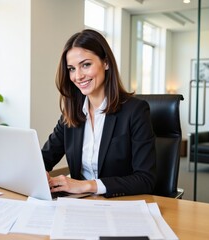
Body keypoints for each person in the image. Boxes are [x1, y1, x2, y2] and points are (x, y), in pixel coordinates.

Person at [41, 29, 156, 198]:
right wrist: (38, 172)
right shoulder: (71, 114)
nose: (78, 76)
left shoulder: (135, 111)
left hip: (120, 204)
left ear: (106, 63)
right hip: (79, 205)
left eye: (86, 65)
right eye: (71, 69)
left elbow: (145, 179)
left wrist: (87, 185)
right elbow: (44, 158)